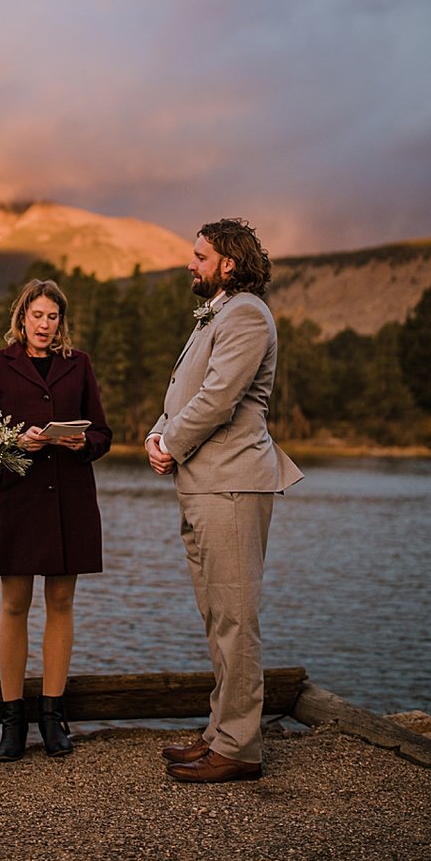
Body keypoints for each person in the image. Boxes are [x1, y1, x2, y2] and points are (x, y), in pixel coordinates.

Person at [146, 218, 302, 784]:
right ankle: (220, 732)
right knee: (217, 617)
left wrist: (172, 441)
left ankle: (239, 747)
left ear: (227, 263)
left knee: (236, 618)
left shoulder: (246, 315)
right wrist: (156, 434)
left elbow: (218, 398)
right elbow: (183, 393)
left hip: (233, 484)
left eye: (199, 255)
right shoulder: (218, 312)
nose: (190, 263)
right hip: (204, 483)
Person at [0, 279, 112, 761]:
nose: (44, 325)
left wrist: (82, 442)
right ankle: (12, 718)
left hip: (68, 499)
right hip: (17, 498)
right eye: (36, 315)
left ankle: (53, 717)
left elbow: (102, 433)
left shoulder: (80, 364)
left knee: (61, 603)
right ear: (22, 318)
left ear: (61, 322)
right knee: (14, 605)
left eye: (52, 317)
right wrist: (18, 442)